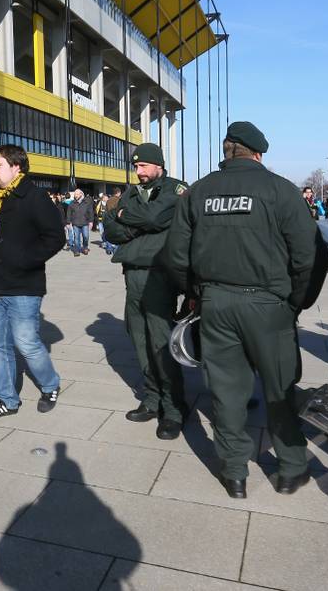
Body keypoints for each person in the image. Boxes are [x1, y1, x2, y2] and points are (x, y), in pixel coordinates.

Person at [164, 122, 316, 499]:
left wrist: (196, 293)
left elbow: (176, 256)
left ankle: (234, 472)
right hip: (269, 305)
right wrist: (295, 302)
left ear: (227, 151)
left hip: (216, 302)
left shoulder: (199, 192)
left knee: (226, 391)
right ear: (258, 153)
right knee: (279, 387)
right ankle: (291, 468)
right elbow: (307, 256)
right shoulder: (281, 190)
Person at [101, 143, 189, 439]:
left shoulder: (174, 189)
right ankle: (152, 398)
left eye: (143, 166)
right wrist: (133, 224)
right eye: (135, 166)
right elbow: (111, 229)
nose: (138, 171)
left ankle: (174, 408)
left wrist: (124, 214)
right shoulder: (131, 193)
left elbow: (154, 217)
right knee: (139, 339)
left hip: (158, 275)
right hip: (132, 274)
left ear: (158, 165)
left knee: (160, 342)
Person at [0, 144, 67, 421]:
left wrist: (24, 260)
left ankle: (50, 385)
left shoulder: (35, 197)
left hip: (24, 285)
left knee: (26, 343)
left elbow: (55, 237)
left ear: (16, 167)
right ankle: (7, 399)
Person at [65, 189, 94, 256]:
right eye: (75, 194)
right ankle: (77, 250)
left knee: (86, 236)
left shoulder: (87, 202)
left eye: (77, 194)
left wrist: (91, 221)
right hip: (75, 223)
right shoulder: (72, 203)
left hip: (85, 223)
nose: (76, 195)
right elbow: (69, 213)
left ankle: (85, 247)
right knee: (76, 238)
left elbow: (91, 212)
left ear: (81, 194)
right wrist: (68, 222)